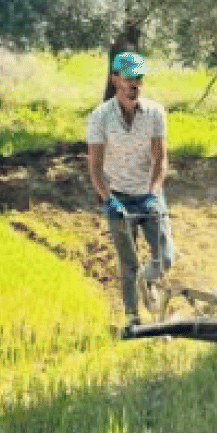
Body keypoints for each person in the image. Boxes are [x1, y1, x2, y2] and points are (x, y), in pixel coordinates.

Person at [86, 51, 175, 329]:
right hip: (118, 197)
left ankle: (147, 283)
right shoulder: (100, 117)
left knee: (166, 257)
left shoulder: (155, 113)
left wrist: (153, 191)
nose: (134, 84)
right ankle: (132, 318)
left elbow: (160, 159)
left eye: (138, 78)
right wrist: (108, 199)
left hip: (148, 195)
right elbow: (95, 166)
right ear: (115, 80)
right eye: (128, 78)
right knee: (129, 264)